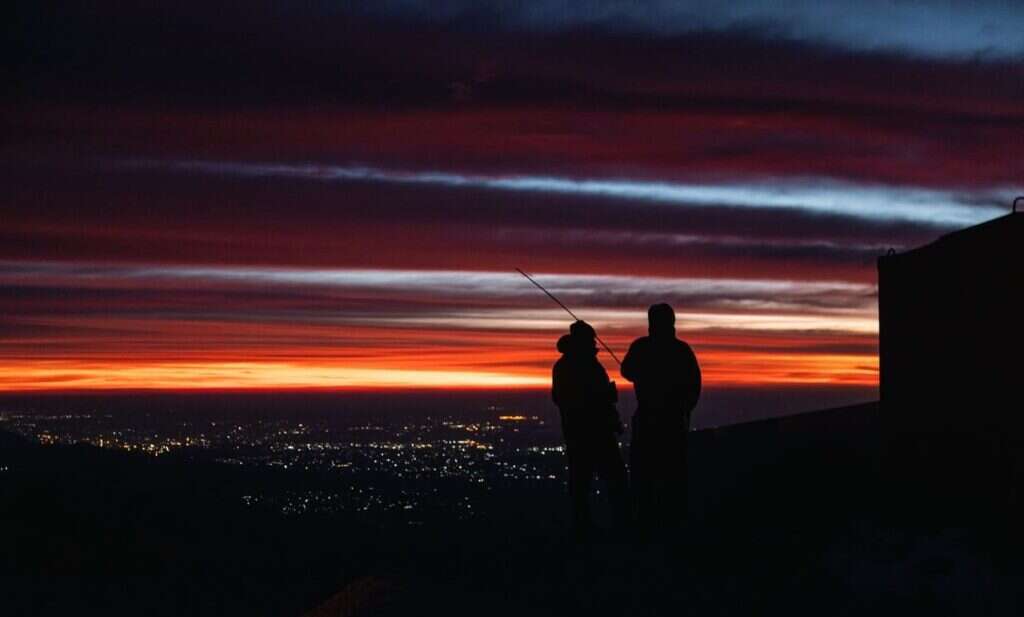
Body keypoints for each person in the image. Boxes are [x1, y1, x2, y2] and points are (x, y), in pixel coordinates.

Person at [621, 303, 701, 530]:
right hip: (672, 421)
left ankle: (646, 521)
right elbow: (694, 385)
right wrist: (685, 411)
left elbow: (626, 371)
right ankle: (672, 521)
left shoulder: (641, 347)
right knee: (672, 473)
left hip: (648, 419)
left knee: (644, 473)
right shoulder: (682, 350)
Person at [552, 320, 629, 536]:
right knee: (608, 479)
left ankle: (585, 527)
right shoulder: (578, 365)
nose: (594, 342)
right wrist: (605, 399)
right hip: (591, 433)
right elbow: (568, 399)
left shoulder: (569, 365)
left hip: (583, 432)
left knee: (584, 481)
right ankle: (608, 526)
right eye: (590, 339)